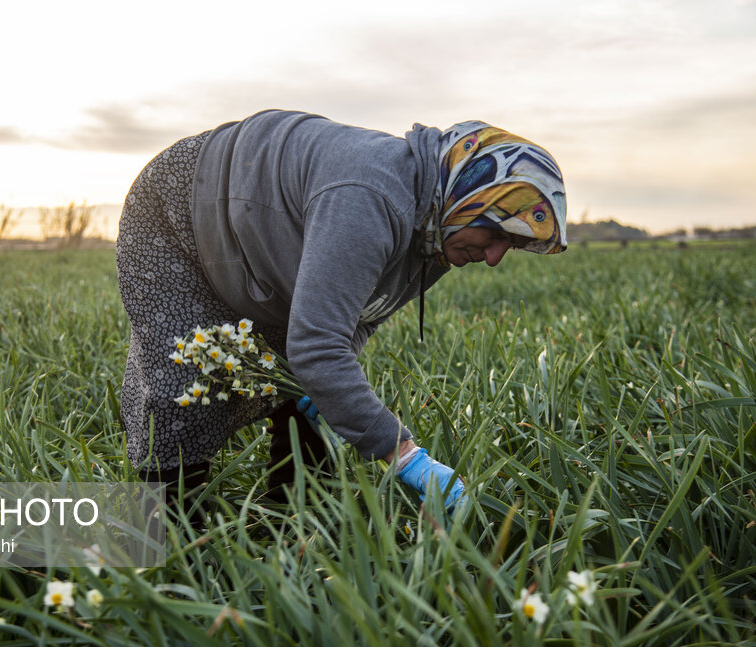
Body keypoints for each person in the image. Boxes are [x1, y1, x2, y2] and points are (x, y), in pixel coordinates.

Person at [116, 109, 566, 519]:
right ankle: (170, 533)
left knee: (300, 379)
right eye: (493, 234)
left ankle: (292, 515)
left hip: (261, 243)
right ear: (467, 195)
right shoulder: (369, 200)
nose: (493, 257)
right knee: (188, 379)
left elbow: (356, 316)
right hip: (177, 212)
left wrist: (323, 387)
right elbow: (319, 347)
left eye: (510, 245)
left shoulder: (438, 232)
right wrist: (405, 454)